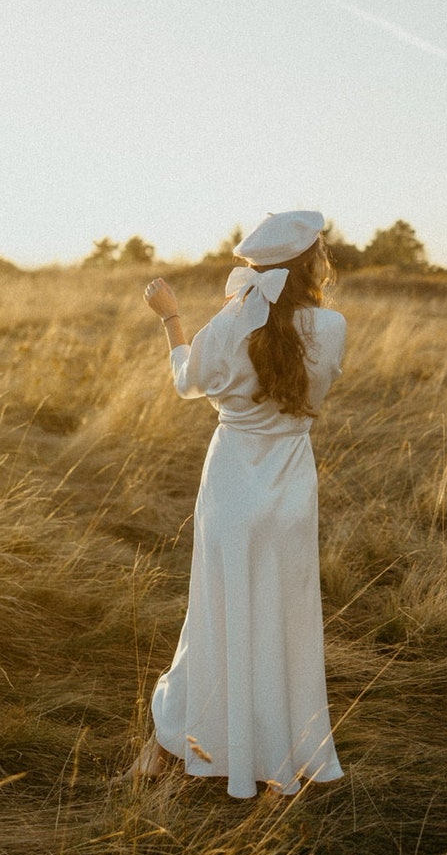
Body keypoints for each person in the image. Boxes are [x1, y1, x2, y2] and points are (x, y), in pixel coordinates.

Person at [133, 210, 346, 798]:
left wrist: (171, 317)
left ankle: (170, 746)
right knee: (285, 617)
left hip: (230, 484)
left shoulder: (231, 324)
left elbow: (185, 380)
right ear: (312, 265)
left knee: (215, 612)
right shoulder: (332, 327)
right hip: (289, 490)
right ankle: (280, 757)